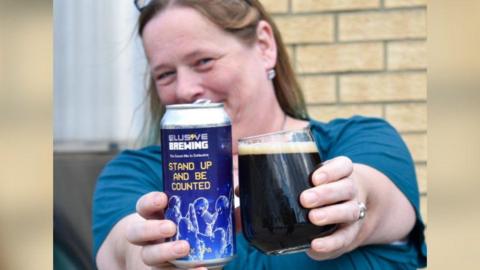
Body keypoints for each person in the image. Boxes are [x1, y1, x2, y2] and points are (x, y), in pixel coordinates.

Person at [92, 0, 427, 269]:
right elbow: (122, 246)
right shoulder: (135, 173)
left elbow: (376, 197)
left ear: (265, 45)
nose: (185, 89)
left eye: (204, 61)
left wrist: (352, 201)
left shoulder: (360, 140)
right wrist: (150, 256)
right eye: (165, 74)